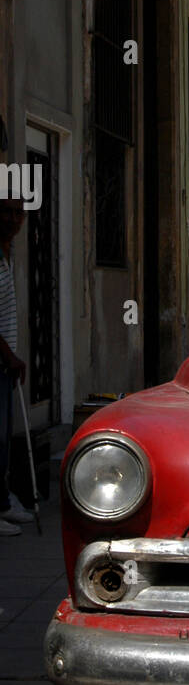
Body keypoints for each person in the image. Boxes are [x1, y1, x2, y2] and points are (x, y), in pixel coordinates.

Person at [0, 195, 35, 534]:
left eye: (18, 213)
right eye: (6, 212)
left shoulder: (7, 255)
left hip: (5, 363)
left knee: (3, 436)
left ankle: (4, 501)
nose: (13, 219)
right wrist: (8, 356)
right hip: (2, 360)